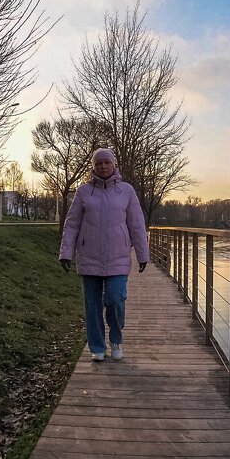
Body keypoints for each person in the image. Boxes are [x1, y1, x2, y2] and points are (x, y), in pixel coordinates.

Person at [59, 148, 150, 362]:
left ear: (113, 164)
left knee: (115, 299)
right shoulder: (83, 192)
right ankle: (97, 346)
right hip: (89, 256)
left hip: (118, 257)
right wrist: (65, 252)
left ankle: (116, 340)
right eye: (98, 163)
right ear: (93, 166)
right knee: (92, 305)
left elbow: (136, 224)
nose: (103, 166)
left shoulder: (126, 191)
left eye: (106, 162)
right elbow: (72, 224)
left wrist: (143, 254)